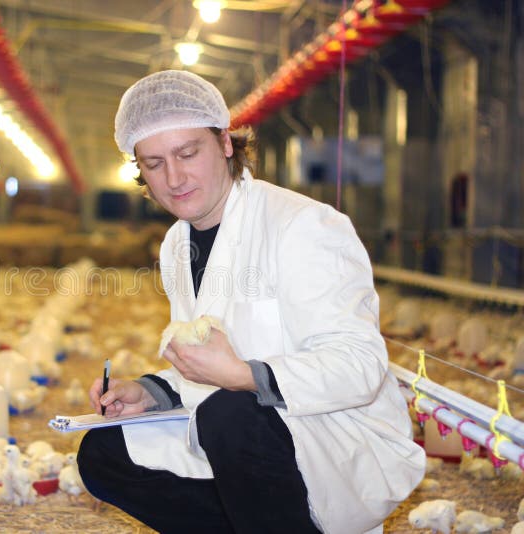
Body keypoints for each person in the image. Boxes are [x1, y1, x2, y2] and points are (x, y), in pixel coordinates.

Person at [76, 70, 425, 534]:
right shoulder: (176, 245)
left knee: (229, 414)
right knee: (102, 453)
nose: (174, 177)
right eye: (155, 163)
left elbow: (359, 366)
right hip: (243, 434)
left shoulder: (303, 225)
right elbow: (214, 355)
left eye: (187, 153)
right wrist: (149, 392)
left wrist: (241, 376)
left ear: (224, 143)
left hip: (333, 437)